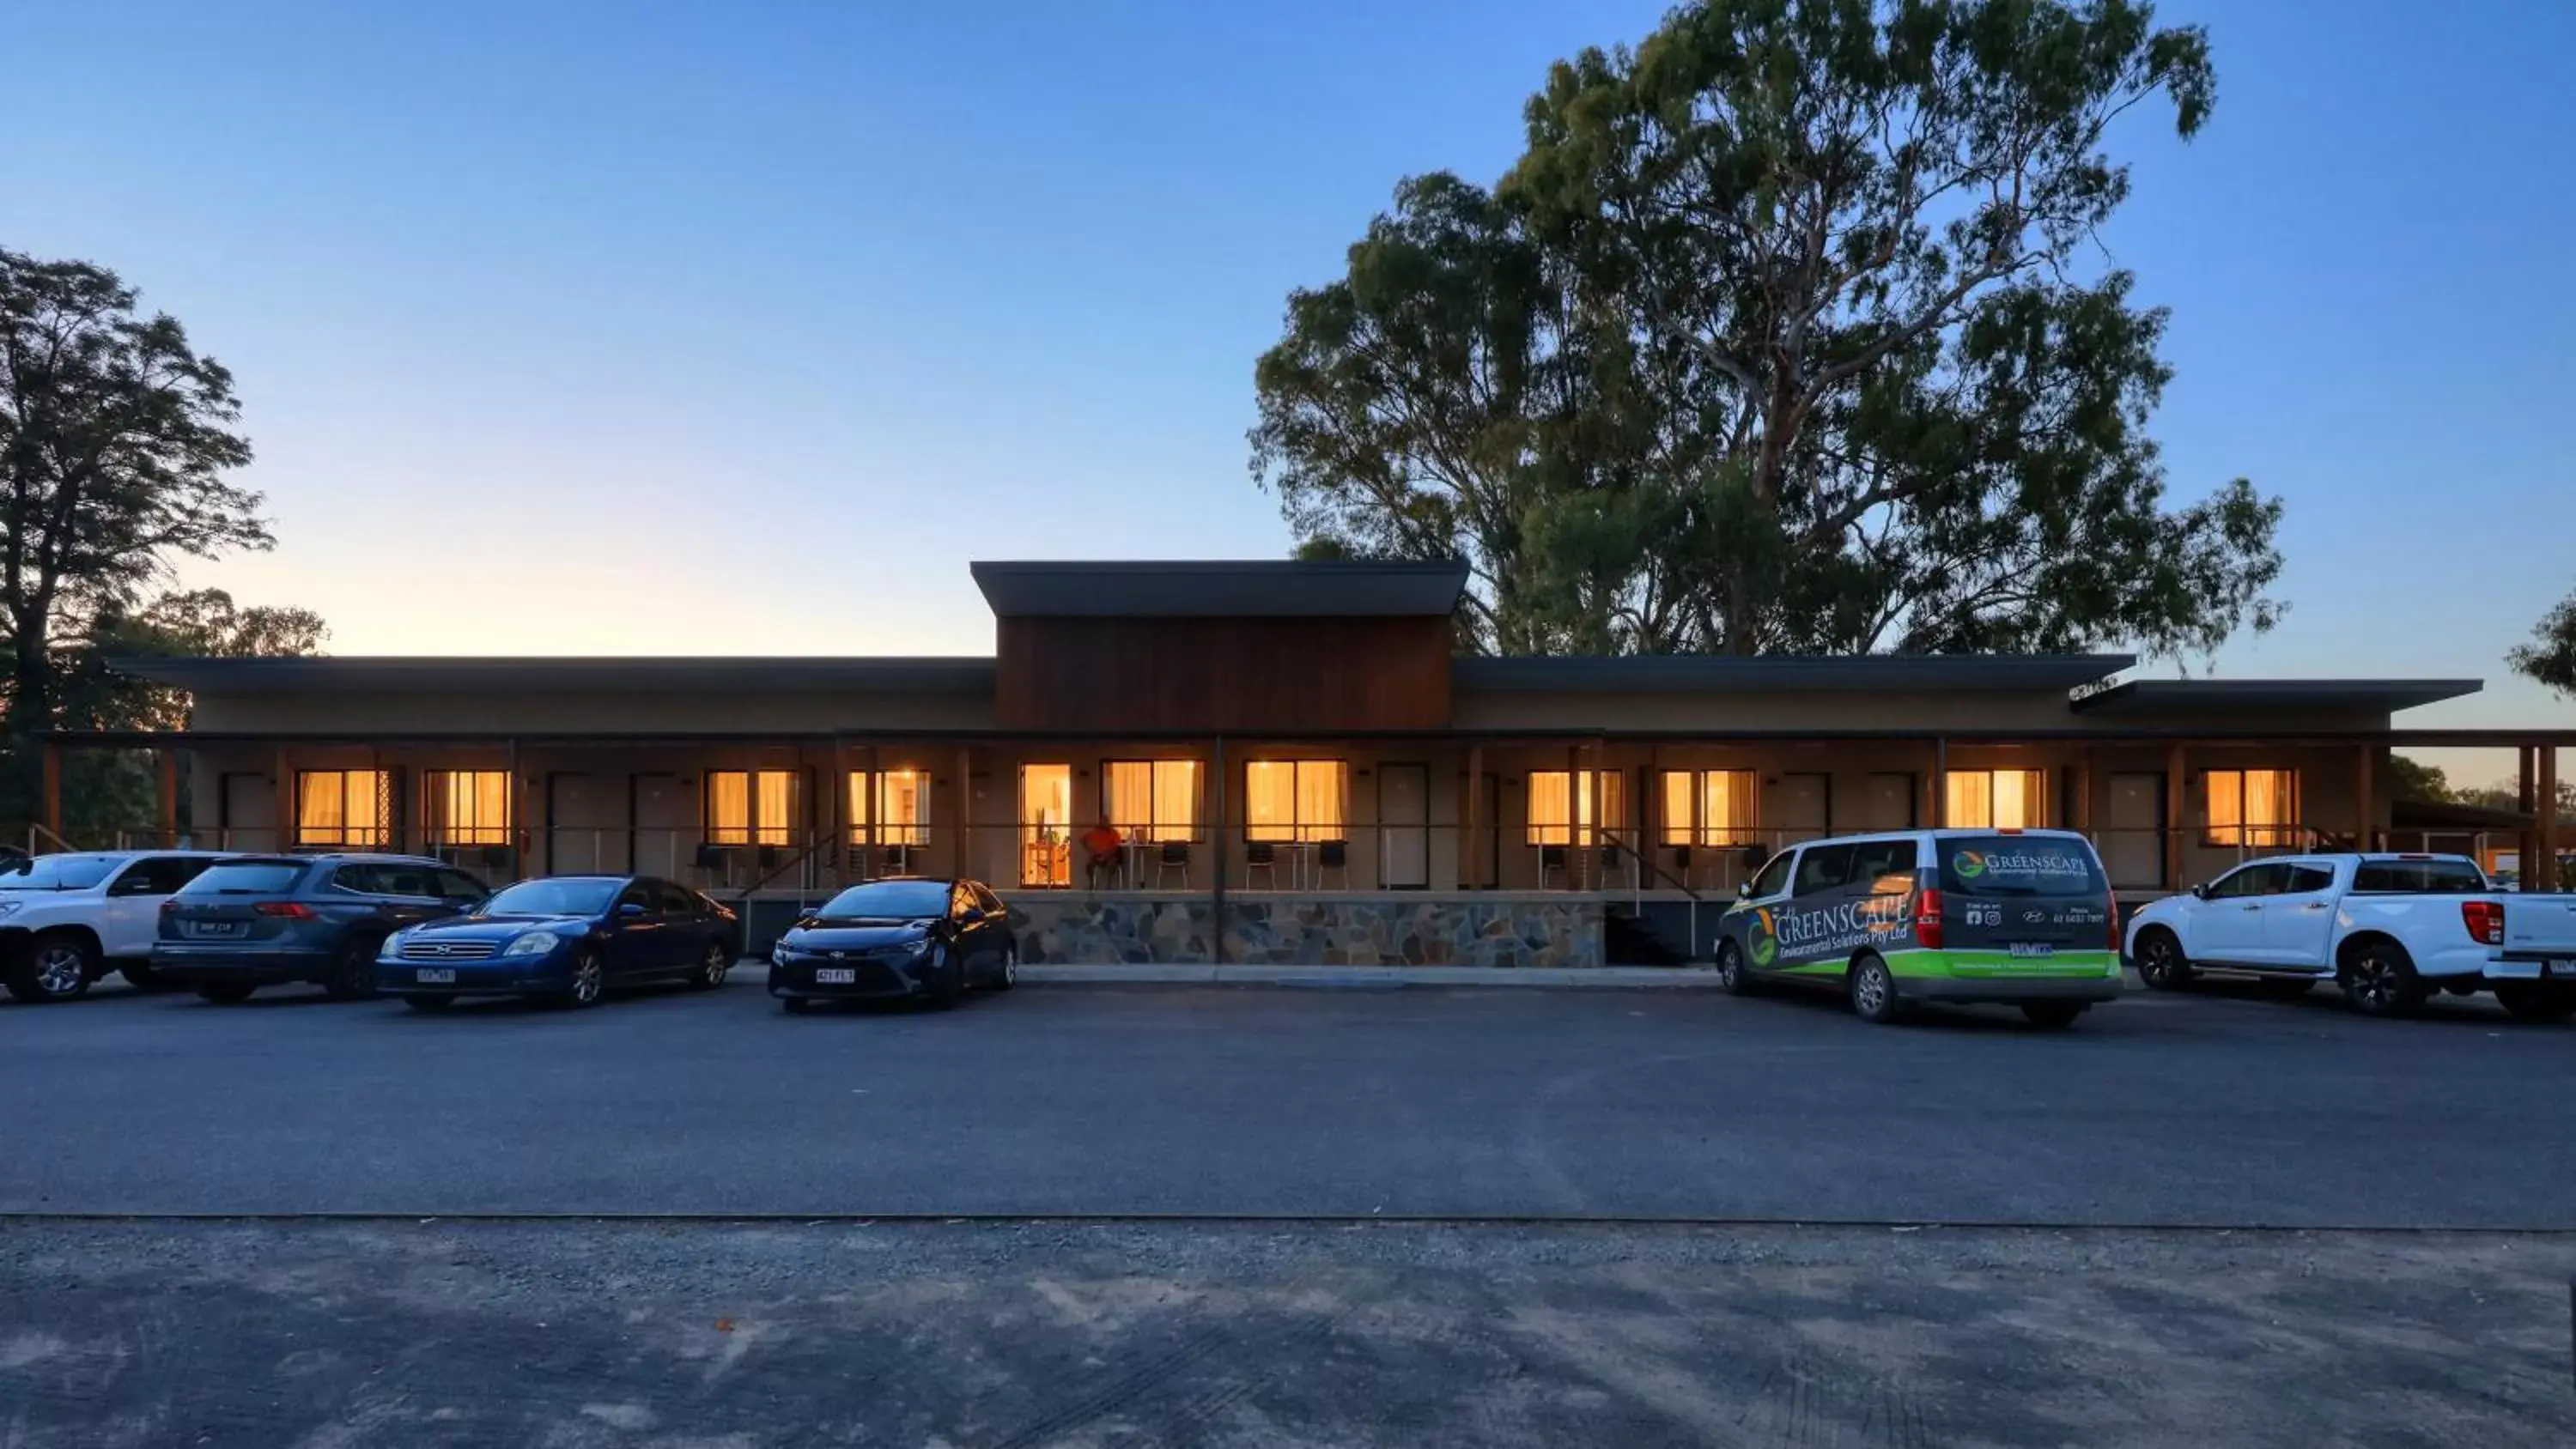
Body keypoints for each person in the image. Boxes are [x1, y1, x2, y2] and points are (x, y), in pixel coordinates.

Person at [1079, 822, 1126, 887]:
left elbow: (1116, 847)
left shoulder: (1113, 833)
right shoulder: (1096, 832)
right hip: (1098, 856)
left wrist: (1106, 856)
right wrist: (1091, 850)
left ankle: (1109, 884)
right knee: (1089, 865)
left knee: (1112, 865)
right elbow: (1082, 839)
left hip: (1110, 856)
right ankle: (1092, 884)